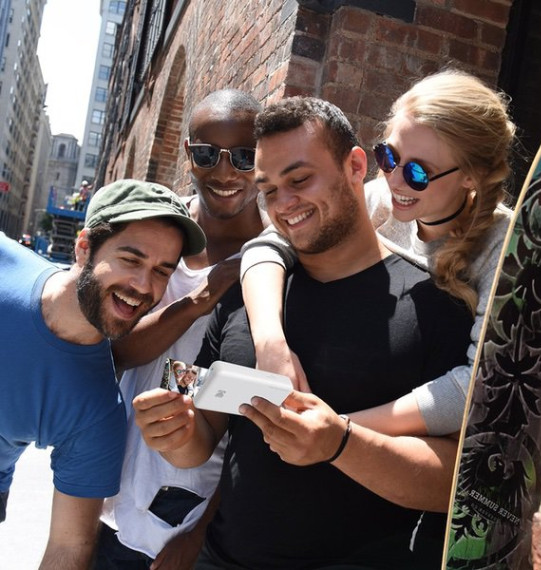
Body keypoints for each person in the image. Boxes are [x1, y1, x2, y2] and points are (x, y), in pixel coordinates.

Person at [133, 97, 474, 569]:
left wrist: (340, 444)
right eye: (269, 190)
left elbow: (457, 483)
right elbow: (206, 438)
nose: (283, 204)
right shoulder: (248, 295)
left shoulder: (434, 304)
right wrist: (176, 434)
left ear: (356, 167)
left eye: (299, 180)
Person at [240, 69, 516, 436]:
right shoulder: (380, 200)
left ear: (471, 175)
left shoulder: (506, 249)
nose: (394, 180)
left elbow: (478, 387)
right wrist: (271, 343)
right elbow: (267, 245)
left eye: (418, 172)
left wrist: (337, 431)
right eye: (389, 157)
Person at [94, 89, 265, 569]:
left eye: (245, 156)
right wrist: (201, 299)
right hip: (100, 492)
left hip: (179, 520)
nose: (226, 172)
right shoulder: (157, 232)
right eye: (208, 154)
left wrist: (205, 529)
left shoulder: (275, 260)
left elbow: (256, 414)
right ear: (189, 153)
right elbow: (117, 349)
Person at [0, 178, 205, 569]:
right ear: (84, 248)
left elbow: (69, 546)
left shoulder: (98, 412)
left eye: (162, 271)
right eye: (131, 260)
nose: (143, 285)